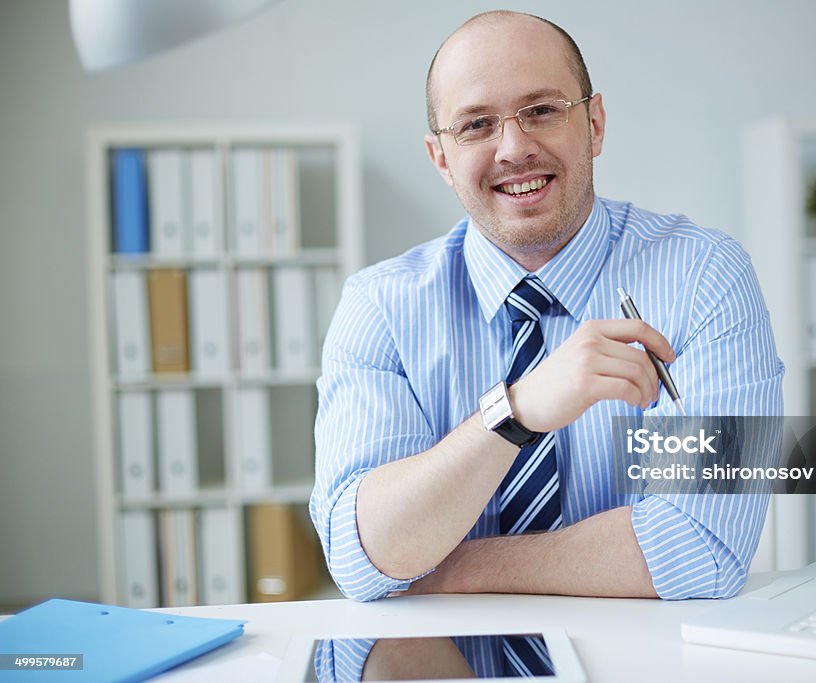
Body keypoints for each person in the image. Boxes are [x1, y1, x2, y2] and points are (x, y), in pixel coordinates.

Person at [309, 10, 784, 606]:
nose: (514, 148)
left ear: (595, 124)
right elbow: (364, 552)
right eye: (477, 124)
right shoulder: (378, 307)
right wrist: (516, 410)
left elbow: (703, 548)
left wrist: (449, 567)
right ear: (441, 160)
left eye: (541, 111)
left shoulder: (703, 278)